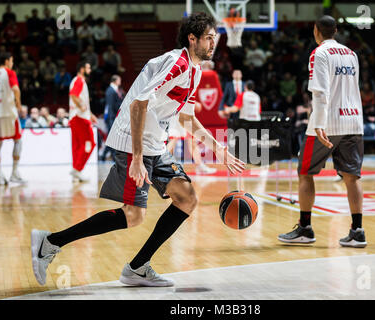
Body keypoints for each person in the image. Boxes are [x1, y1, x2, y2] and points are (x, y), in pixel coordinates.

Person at [30, 12, 245, 287]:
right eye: (209, 38)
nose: (214, 43)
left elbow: (187, 118)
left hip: (155, 143)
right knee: (133, 215)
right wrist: (137, 158)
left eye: (216, 38)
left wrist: (220, 150)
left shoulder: (194, 70)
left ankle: (137, 267)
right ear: (192, 39)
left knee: (187, 197)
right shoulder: (176, 63)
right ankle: (49, 243)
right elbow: (138, 104)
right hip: (133, 141)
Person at [278, 16, 367, 248]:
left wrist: (318, 124)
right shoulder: (351, 54)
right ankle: (357, 231)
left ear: (316, 31)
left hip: (327, 122)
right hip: (354, 121)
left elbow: (319, 92)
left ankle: (305, 228)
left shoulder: (319, 53)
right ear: (335, 31)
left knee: (305, 172)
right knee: (352, 177)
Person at [0, 52, 24, 185]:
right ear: (7, 61)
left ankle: (0, 176)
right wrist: (18, 103)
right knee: (18, 140)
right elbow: (16, 89)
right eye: (11, 61)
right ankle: (14, 173)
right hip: (9, 112)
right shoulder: (9, 72)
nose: (12, 63)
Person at [167, 102, 217, 174]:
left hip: (183, 114)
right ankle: (164, 165)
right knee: (173, 141)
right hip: (177, 113)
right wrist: (195, 104)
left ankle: (200, 166)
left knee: (191, 141)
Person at [68, 61, 98, 182]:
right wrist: (82, 107)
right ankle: (77, 170)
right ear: (82, 69)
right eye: (88, 68)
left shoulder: (75, 80)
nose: (90, 70)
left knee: (78, 146)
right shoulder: (80, 80)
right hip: (80, 117)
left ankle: (76, 171)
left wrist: (89, 114)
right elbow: (74, 95)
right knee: (90, 144)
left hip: (74, 117)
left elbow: (77, 98)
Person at [101, 75, 124, 161]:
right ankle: (113, 156)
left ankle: (104, 155)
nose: (120, 82)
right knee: (112, 136)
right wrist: (110, 118)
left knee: (111, 136)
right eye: (119, 80)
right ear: (115, 81)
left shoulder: (116, 90)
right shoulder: (110, 90)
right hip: (111, 117)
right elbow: (110, 105)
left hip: (114, 116)